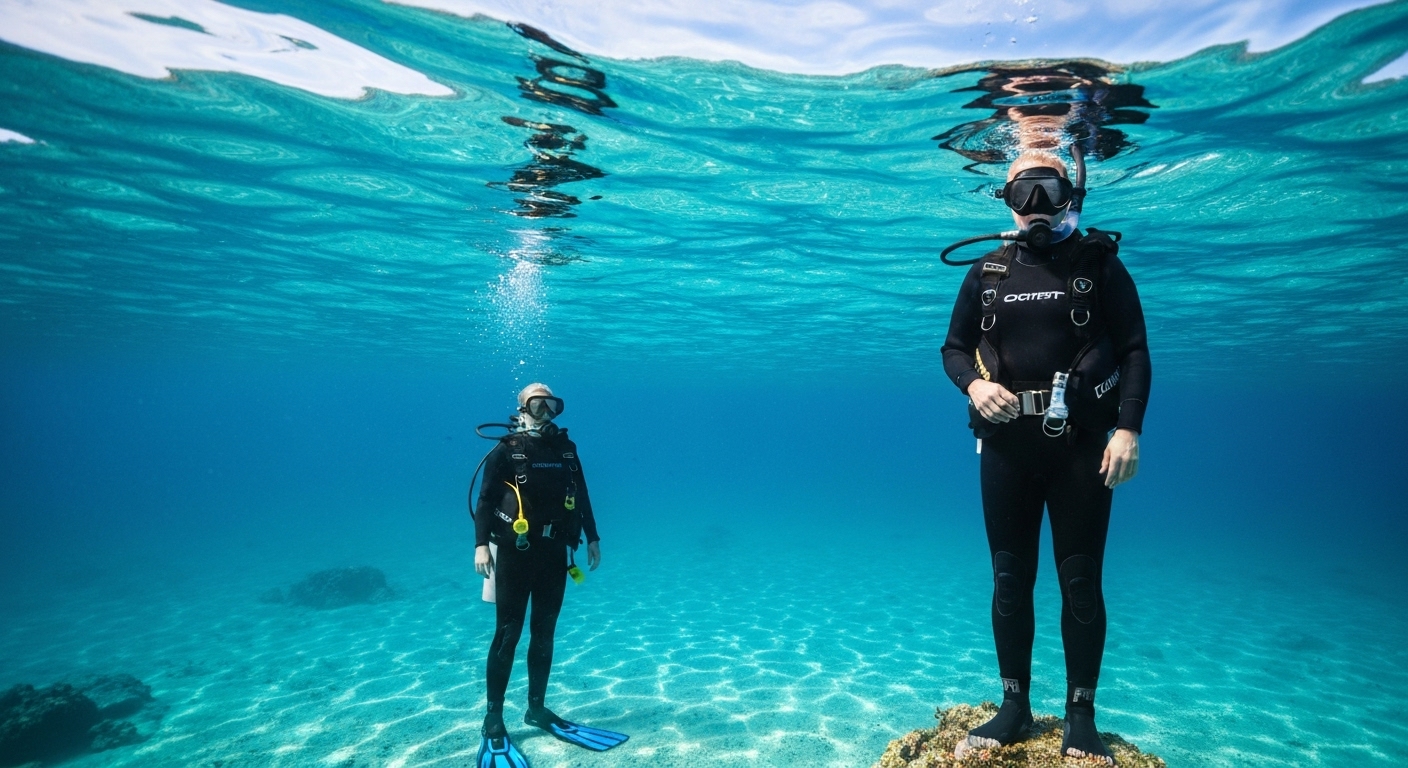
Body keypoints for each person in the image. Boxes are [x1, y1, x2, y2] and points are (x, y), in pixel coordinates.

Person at [940, 151, 1151, 764]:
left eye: (1048, 189)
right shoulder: (987, 272)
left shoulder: (1101, 268)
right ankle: (1015, 706)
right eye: (1022, 190)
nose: (1035, 205)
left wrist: (1128, 430)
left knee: (1080, 580)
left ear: (1073, 194)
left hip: (1082, 450)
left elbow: (1135, 351)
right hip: (1005, 450)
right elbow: (954, 349)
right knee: (1009, 576)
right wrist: (974, 386)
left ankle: (1081, 717)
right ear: (1004, 197)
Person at [471, 383, 627, 767]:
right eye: (537, 405)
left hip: (556, 553)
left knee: (544, 631)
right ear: (522, 408)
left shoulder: (566, 451)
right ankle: (493, 718)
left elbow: (583, 493)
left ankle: (536, 709)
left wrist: (592, 537)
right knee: (508, 632)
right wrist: (479, 545)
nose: (545, 412)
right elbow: (487, 499)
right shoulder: (506, 450)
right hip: (514, 554)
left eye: (551, 405)